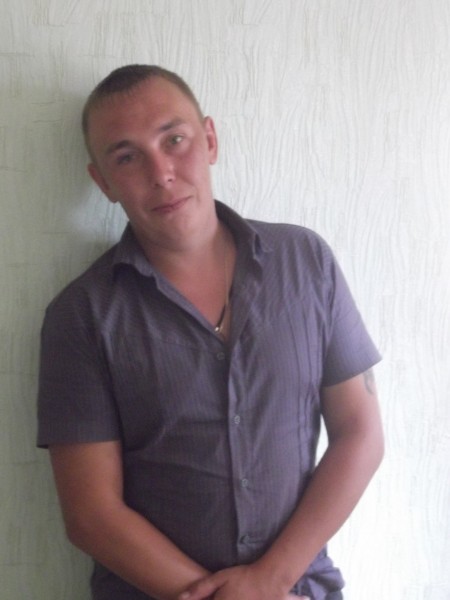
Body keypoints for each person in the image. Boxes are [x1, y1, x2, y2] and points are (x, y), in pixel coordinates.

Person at [37, 64, 384, 600]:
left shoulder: (306, 263)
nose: (161, 173)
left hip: (299, 589)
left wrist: (270, 582)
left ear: (210, 140)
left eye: (174, 140)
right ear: (103, 181)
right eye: (127, 157)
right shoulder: (81, 315)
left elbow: (360, 432)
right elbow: (91, 513)